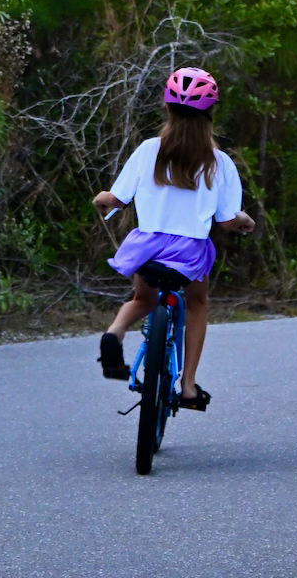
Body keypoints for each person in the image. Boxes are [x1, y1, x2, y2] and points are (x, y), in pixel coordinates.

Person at [94, 66, 255, 410]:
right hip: (189, 252)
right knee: (196, 303)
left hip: (146, 246)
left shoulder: (148, 150)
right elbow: (227, 220)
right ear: (210, 114)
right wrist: (243, 220)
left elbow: (117, 198)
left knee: (143, 299)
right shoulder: (220, 163)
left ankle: (114, 332)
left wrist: (104, 198)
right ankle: (189, 386)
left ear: (167, 108)